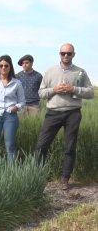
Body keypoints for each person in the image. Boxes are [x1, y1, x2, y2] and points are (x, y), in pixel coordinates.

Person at [36, 43, 94, 190]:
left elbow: (90, 92)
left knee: (70, 147)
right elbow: (41, 93)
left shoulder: (80, 72)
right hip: (53, 113)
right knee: (41, 146)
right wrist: (55, 90)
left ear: (74, 54)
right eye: (63, 53)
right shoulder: (50, 71)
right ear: (59, 54)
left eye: (69, 53)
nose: (66, 56)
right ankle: (37, 176)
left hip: (73, 113)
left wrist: (73, 89)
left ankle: (65, 179)